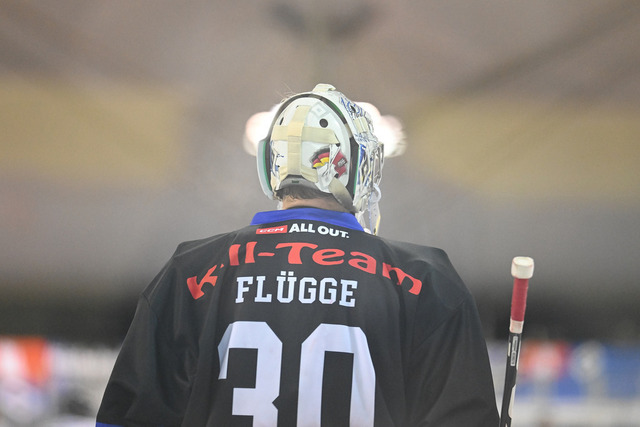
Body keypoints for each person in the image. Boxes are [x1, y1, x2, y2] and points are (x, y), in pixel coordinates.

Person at [96, 84, 499, 426]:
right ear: (354, 165)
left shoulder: (193, 271)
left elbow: (126, 418)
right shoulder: (424, 281)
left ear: (271, 163)